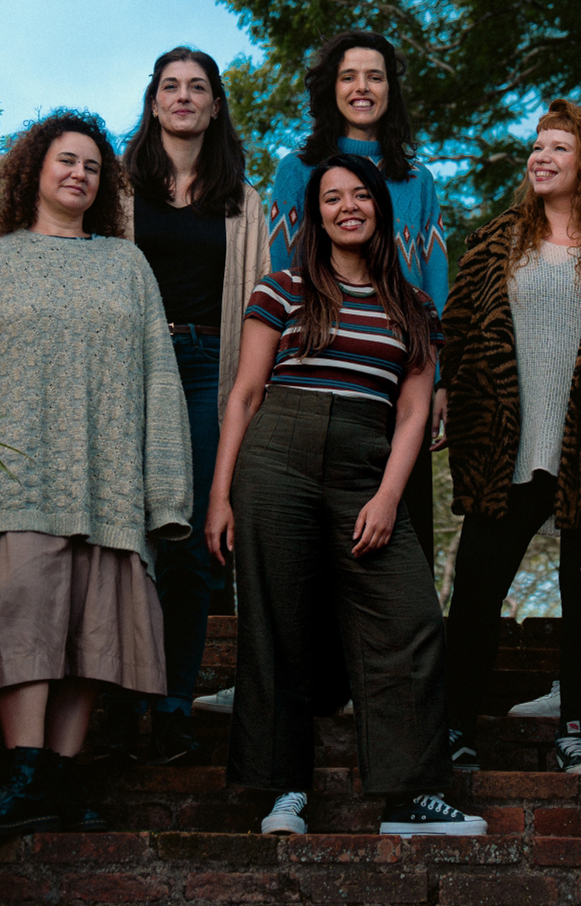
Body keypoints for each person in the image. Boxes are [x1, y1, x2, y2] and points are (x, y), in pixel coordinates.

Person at [0, 110, 192, 835]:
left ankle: (62, 781)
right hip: (10, 478)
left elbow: (160, 379)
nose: (79, 174)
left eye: (92, 167)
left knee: (91, 632)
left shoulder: (126, 264)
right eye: (66, 161)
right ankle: (26, 771)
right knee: (22, 623)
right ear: (35, 170)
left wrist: (165, 490)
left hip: (107, 482)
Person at [207, 153, 484, 837]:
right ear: (315, 212)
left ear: (381, 209)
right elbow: (244, 395)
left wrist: (390, 496)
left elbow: (415, 413)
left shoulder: (413, 305)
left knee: (410, 617)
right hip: (278, 454)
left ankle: (411, 797)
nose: (347, 207)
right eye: (332, 198)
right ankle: (283, 792)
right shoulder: (282, 288)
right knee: (279, 622)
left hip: (367, 459)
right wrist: (220, 495)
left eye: (360, 195)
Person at [195, 29, 447, 717]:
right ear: (329, 90)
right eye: (348, 76)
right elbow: (285, 269)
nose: (362, 87)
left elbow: (429, 281)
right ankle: (283, 688)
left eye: (375, 76)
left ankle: (378, 692)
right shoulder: (294, 170)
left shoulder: (418, 180)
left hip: (394, 384)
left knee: (389, 536)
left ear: (391, 91)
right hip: (308, 383)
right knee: (294, 548)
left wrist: (437, 379)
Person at [441, 99, 581, 774]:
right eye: (537, 147)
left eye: (558, 148)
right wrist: (445, 396)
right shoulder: (497, 241)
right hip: (506, 451)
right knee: (475, 591)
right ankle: (453, 726)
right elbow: (458, 332)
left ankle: (577, 727)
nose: (540, 158)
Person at [116, 46, 271, 764]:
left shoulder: (244, 202)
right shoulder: (116, 192)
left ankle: (173, 704)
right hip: (131, 368)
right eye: (170, 86)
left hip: (213, 366)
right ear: (153, 103)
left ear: (215, 106)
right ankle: (121, 700)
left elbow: (264, 306)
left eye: (197, 87)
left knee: (190, 542)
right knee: (126, 534)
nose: (183, 97)